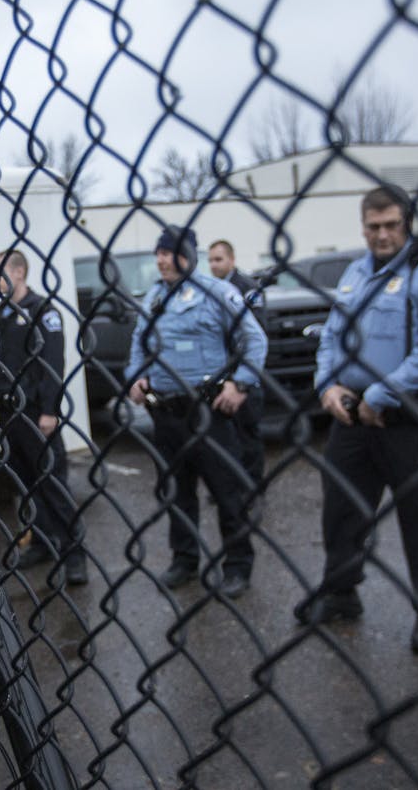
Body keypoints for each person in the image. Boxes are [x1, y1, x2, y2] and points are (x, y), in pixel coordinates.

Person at [293, 185, 418, 655]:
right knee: (342, 512)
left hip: (411, 420)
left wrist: (379, 393)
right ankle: (340, 593)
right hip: (351, 419)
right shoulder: (355, 273)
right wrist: (327, 385)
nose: (382, 234)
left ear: (408, 223)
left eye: (392, 224)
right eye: (373, 226)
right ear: (363, 227)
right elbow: (332, 337)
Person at [126, 225, 267, 599]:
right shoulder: (155, 296)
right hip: (166, 413)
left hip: (208, 413)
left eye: (167, 253)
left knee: (227, 492)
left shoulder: (218, 292)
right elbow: (139, 346)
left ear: (186, 256)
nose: (160, 260)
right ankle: (184, 560)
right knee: (177, 492)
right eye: (157, 253)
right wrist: (136, 377)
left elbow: (254, 340)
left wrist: (240, 385)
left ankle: (237, 565)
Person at [0, 248, 87, 585]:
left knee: (52, 484)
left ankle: (75, 556)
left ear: (19, 273)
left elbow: (53, 365)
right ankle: (42, 542)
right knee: (26, 484)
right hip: (8, 414)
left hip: (35, 412)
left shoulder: (42, 311)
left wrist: (50, 410)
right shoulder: (0, 312)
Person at [207, 239, 267, 494]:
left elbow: (255, 334)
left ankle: (252, 486)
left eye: (218, 259)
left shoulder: (248, 289)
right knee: (223, 434)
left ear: (232, 260)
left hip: (243, 372)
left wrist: (242, 374)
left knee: (247, 432)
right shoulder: (210, 289)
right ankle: (229, 483)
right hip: (220, 371)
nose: (213, 265)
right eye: (210, 260)